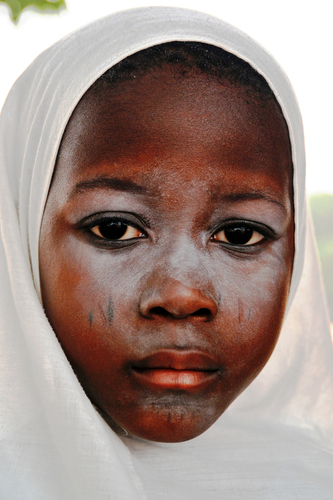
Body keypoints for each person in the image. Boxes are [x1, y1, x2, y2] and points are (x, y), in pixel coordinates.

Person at [0, 7, 332, 499]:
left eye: (240, 235)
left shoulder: (312, 479)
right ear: (21, 237)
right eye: (115, 229)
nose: (181, 294)